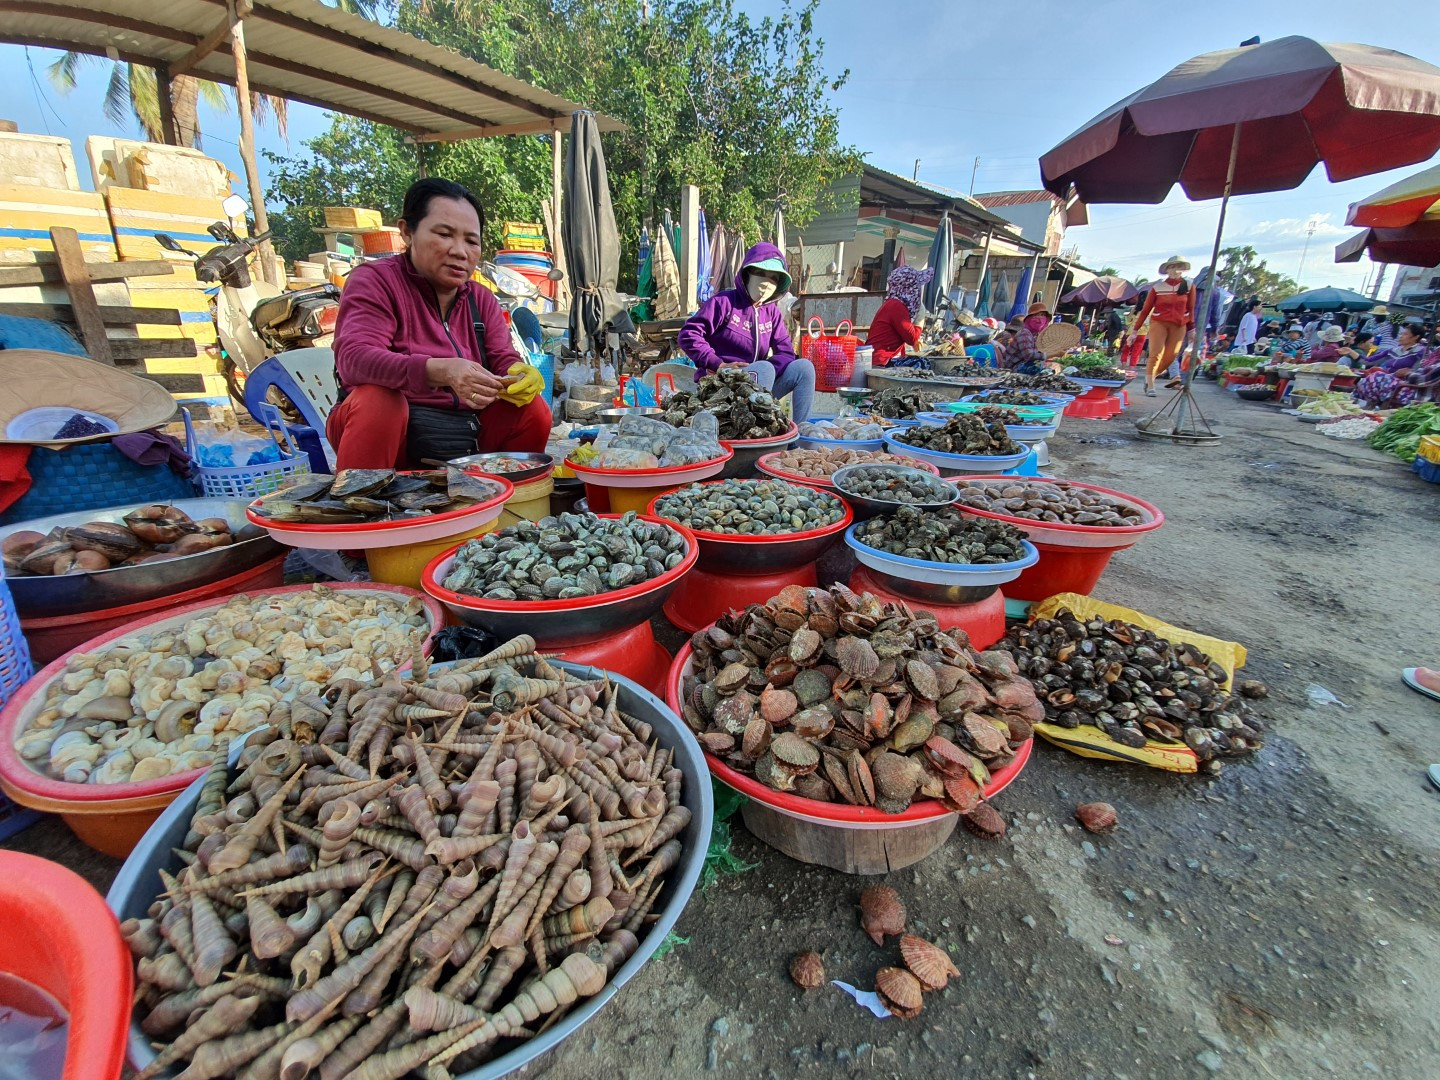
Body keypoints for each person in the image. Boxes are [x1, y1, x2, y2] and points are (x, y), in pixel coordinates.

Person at [326, 178, 549, 471]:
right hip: (389, 434)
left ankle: (507, 504)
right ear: (407, 232)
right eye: (444, 234)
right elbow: (354, 360)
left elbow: (501, 357)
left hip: (463, 433)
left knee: (533, 411)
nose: (460, 251)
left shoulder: (481, 299)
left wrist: (518, 373)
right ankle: (362, 505)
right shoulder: (375, 281)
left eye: (471, 241)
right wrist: (439, 370)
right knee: (379, 402)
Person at [677, 243, 815, 421]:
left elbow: (786, 352)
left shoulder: (771, 312)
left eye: (773, 278)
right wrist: (718, 364)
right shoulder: (725, 302)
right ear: (747, 273)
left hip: (756, 384)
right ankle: (757, 435)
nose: (766, 282)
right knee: (764, 368)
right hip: (720, 386)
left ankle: (798, 440)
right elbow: (689, 334)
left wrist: (768, 371)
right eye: (761, 273)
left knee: (804, 368)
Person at [1133, 256, 1195, 396]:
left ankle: (1150, 377)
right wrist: (1134, 331)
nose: (1174, 269)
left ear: (1183, 269)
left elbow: (1190, 309)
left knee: (1170, 356)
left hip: (1179, 325)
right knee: (1156, 354)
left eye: (1177, 266)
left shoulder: (1189, 286)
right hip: (1159, 323)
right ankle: (1150, 386)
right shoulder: (1158, 287)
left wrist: (1192, 329)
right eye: (1171, 266)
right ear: (1167, 269)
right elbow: (1146, 310)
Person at [865, 266, 934, 366]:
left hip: (884, 357)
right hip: (881, 360)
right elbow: (912, 339)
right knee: (923, 363)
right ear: (909, 288)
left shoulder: (893, 303)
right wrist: (920, 319)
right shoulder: (896, 306)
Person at [1353, 344, 1440, 409]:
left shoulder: (1420, 351)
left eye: (1405, 334)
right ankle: (1368, 404)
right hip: (1411, 385)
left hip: (1418, 393)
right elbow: (1423, 372)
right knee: (1378, 375)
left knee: (1378, 377)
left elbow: (1424, 380)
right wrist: (1409, 373)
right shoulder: (1395, 349)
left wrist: (1408, 374)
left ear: (1415, 337)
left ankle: (1369, 405)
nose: (1401, 336)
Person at [1000, 302, 1051, 375]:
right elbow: (1028, 355)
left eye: (1042, 315)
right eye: (1036, 315)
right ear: (1030, 319)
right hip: (1010, 369)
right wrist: (1049, 355)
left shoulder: (1036, 335)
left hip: (1021, 365)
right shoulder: (1024, 333)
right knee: (1037, 365)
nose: (1039, 319)